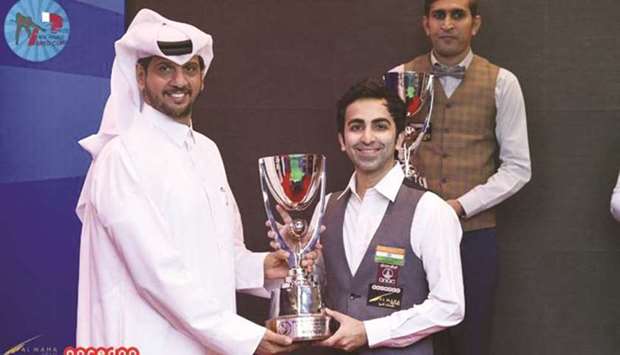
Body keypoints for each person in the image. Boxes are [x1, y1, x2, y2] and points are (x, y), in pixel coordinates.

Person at [75, 9, 306, 355]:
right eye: (164, 69)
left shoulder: (207, 152)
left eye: (190, 69)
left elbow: (219, 254)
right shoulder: (120, 158)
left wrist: (266, 267)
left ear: (203, 78)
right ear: (140, 76)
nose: (179, 82)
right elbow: (156, 274)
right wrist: (242, 337)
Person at [272, 79, 464, 354]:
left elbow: (450, 306)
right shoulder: (327, 207)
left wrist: (370, 332)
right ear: (342, 140)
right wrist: (297, 257)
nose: (367, 137)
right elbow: (321, 286)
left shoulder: (431, 210)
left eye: (380, 126)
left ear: (399, 138)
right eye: (356, 126)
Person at [389, 1, 532, 354]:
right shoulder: (397, 78)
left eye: (458, 15)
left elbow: (518, 167)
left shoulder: (503, 82)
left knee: (472, 339)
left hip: (473, 237)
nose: (448, 24)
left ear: (475, 23)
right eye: (439, 15)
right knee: (404, 334)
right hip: (407, 235)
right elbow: (382, 155)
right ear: (426, 24)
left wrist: (458, 206)